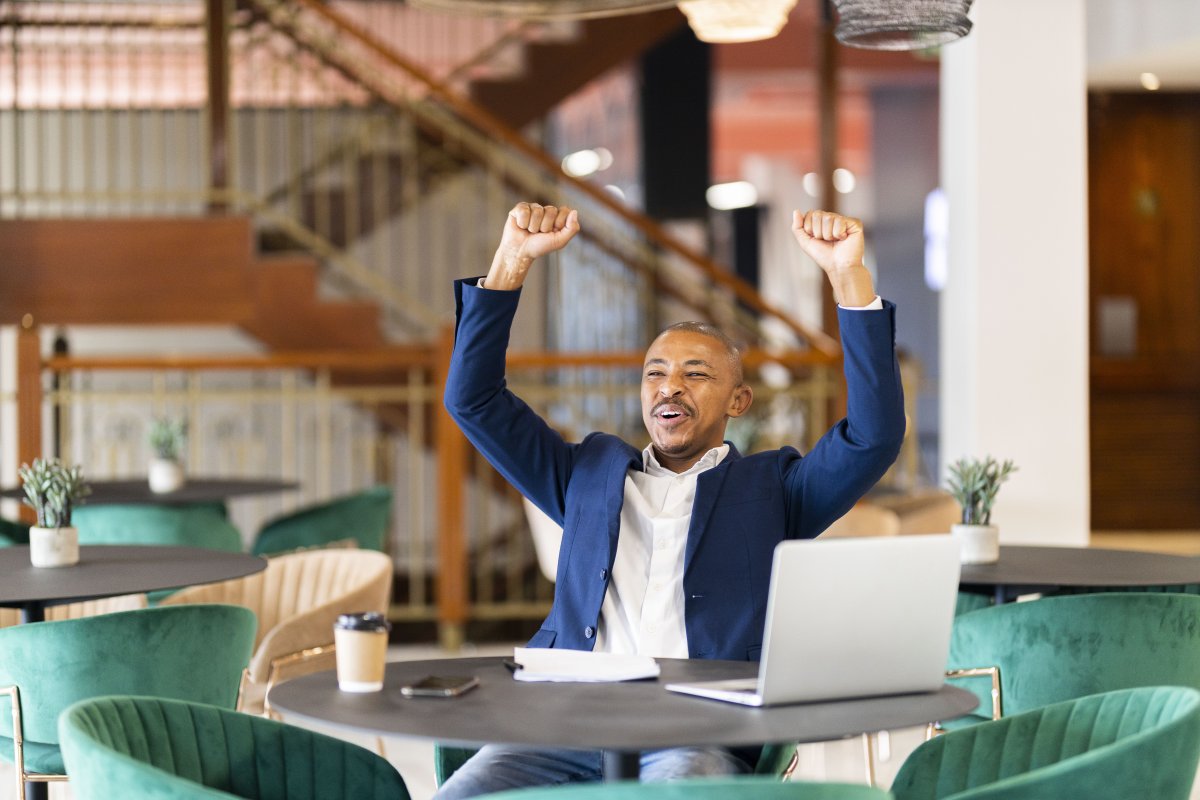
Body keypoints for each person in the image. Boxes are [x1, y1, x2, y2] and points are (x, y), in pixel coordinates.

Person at [438, 202, 906, 798]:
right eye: (655, 373)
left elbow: (874, 435)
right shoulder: (586, 474)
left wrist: (849, 279)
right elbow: (473, 401)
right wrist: (511, 262)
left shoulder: (775, 491)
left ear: (738, 401)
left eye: (696, 374)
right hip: (561, 721)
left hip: (695, 729)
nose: (670, 386)